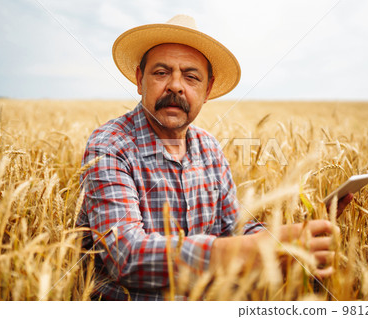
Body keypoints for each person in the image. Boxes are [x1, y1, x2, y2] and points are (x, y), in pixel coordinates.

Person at [76, 15, 353, 301]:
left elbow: (236, 228)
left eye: (191, 76)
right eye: (161, 73)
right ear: (139, 80)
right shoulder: (110, 145)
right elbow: (126, 256)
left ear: (207, 90)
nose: (175, 86)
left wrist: (296, 235)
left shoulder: (208, 147)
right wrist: (253, 251)